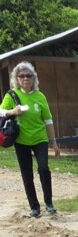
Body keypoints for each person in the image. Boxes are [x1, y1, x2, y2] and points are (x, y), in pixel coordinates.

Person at [0, 62, 60, 217]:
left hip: (40, 139)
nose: (25, 78)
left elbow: (48, 120)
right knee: (27, 174)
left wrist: (54, 142)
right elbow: (1, 112)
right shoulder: (11, 95)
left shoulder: (40, 97)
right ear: (16, 79)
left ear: (34, 78)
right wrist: (13, 111)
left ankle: (49, 203)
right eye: (21, 76)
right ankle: (34, 207)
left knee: (43, 169)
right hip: (21, 140)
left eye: (29, 76)